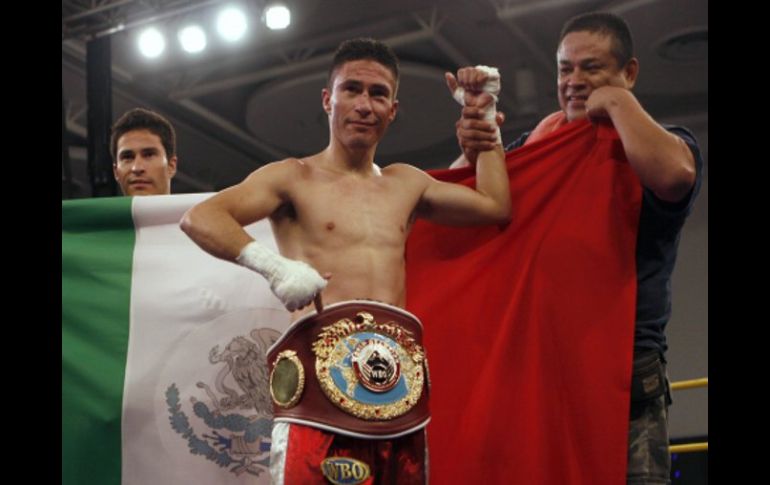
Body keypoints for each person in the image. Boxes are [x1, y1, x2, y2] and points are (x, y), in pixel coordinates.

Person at [180, 38, 511, 484]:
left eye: (377, 94)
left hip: (399, 399)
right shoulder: (292, 177)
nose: (364, 104)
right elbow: (201, 217)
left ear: (393, 110)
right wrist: (274, 267)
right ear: (327, 99)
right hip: (319, 403)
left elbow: (494, 206)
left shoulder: (406, 184)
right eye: (351, 89)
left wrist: (484, 116)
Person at [451, 12, 703, 485]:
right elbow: (466, 214)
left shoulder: (665, 144)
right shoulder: (538, 146)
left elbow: (675, 176)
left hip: (624, 383)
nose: (575, 82)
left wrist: (616, 102)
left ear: (629, 72)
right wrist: (473, 150)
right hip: (541, 377)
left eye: (593, 68)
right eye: (566, 69)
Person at [110, 107, 178, 196]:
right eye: (127, 157)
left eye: (149, 155)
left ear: (171, 166)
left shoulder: (199, 208)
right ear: (116, 172)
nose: (137, 168)